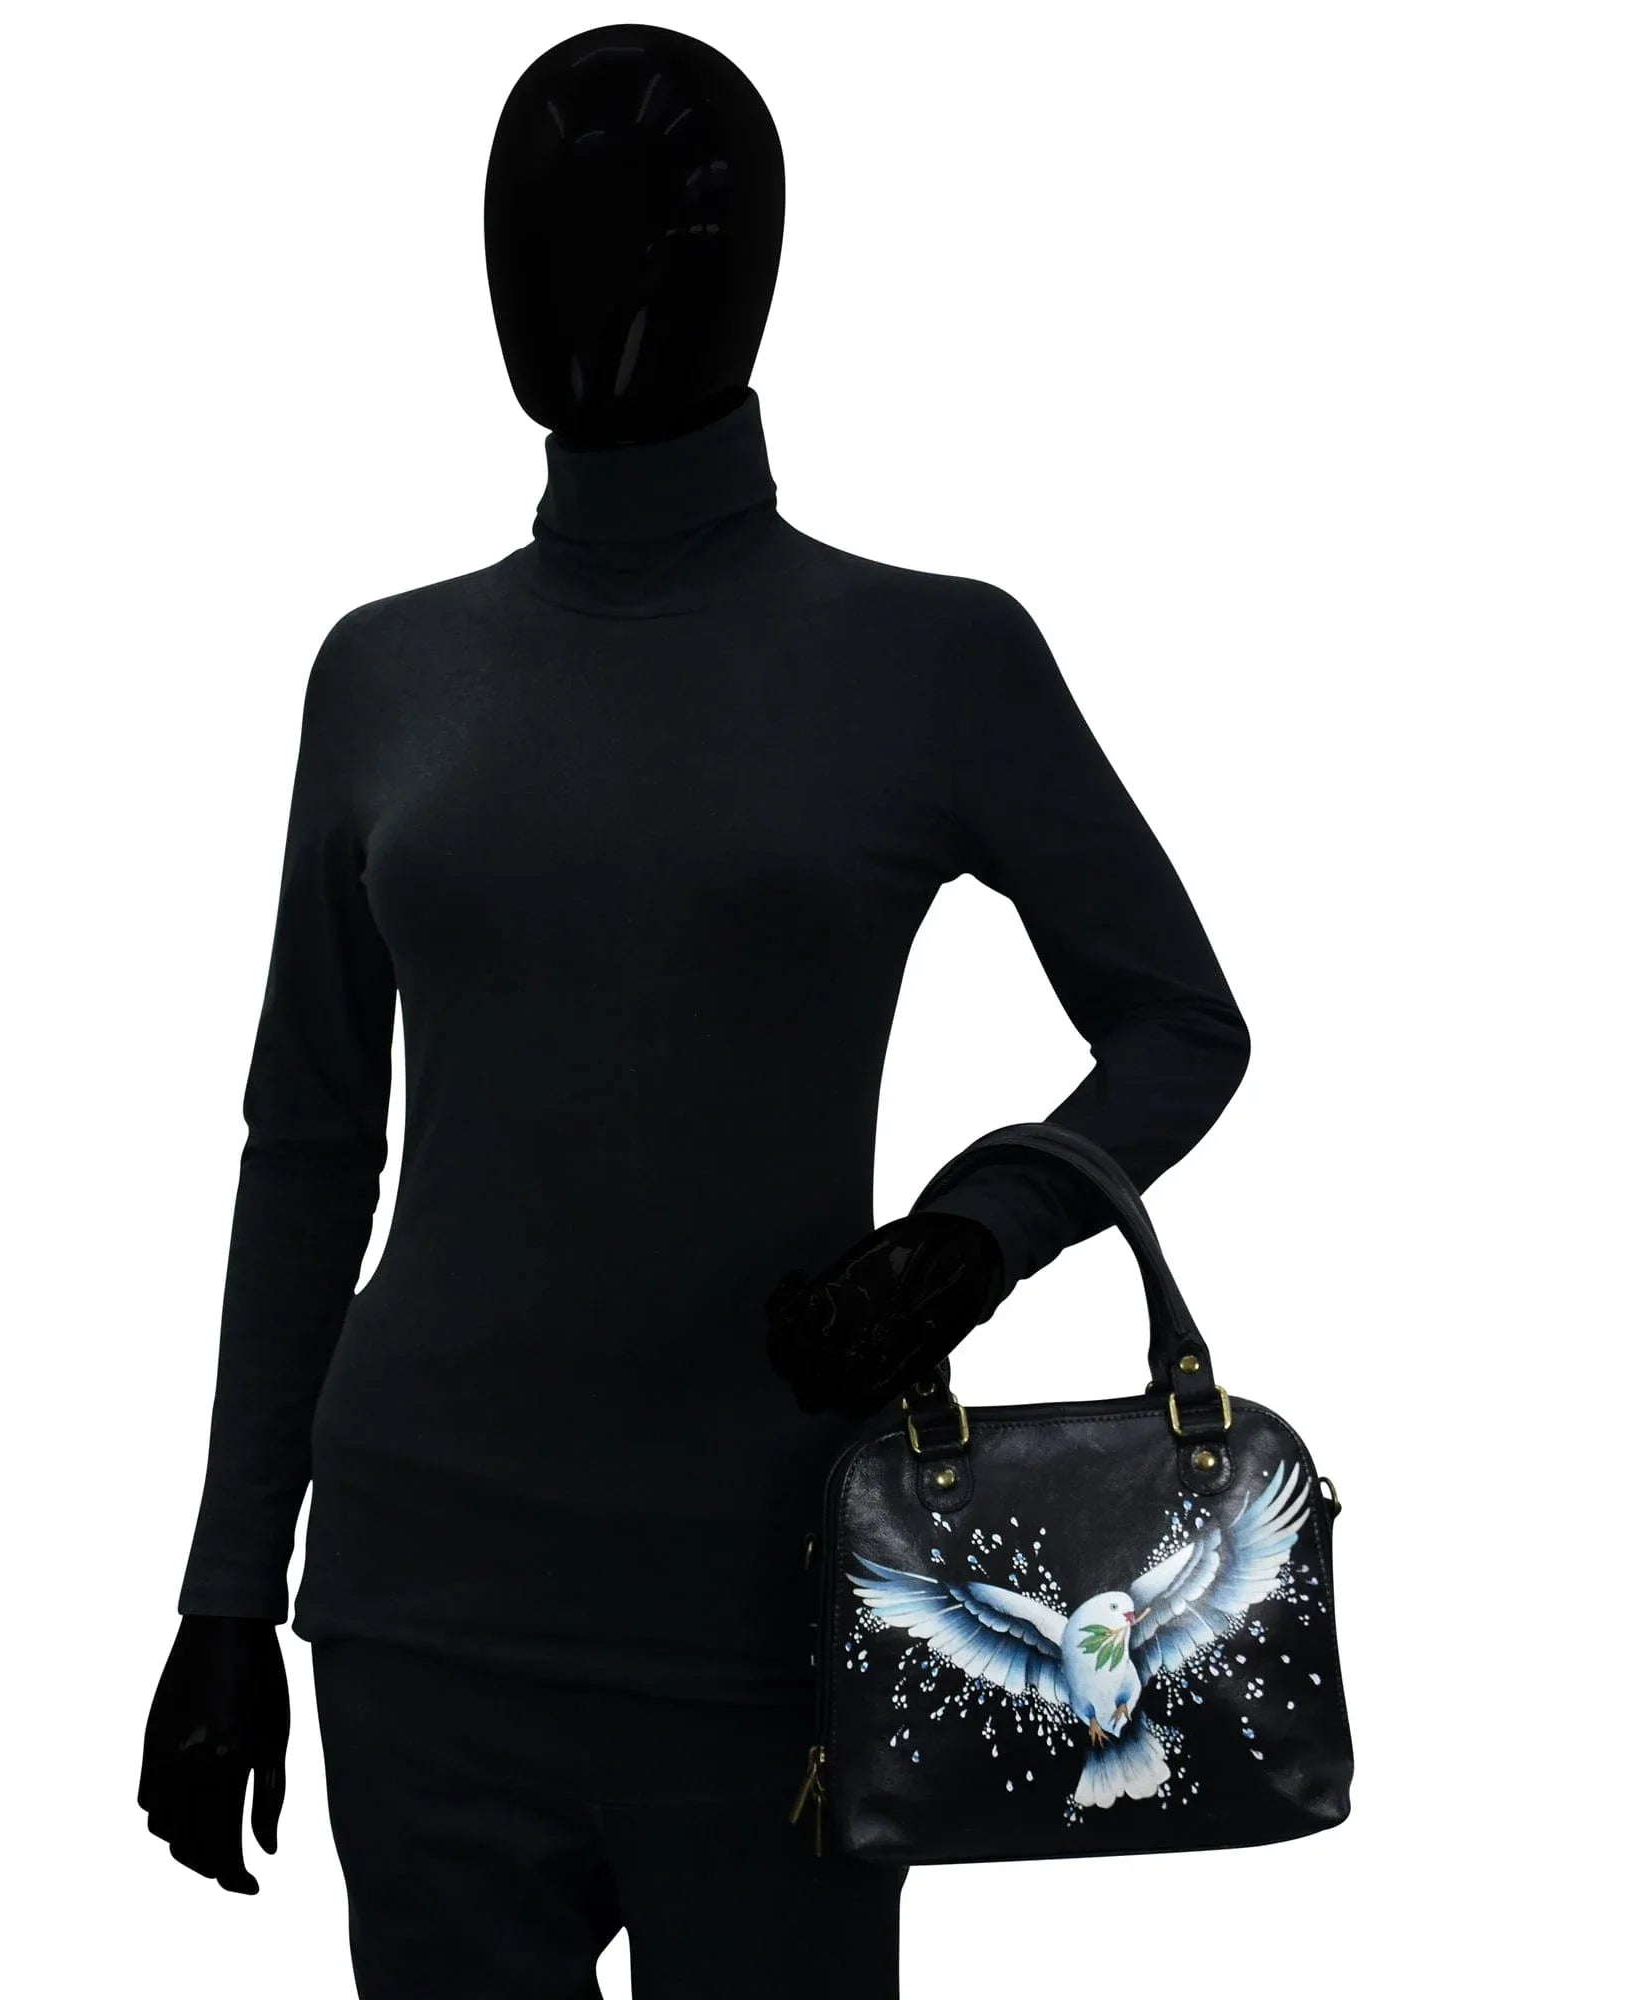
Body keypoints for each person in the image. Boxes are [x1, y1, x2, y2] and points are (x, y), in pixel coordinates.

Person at [138, 25, 1250, 1998]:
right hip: (420, 1612)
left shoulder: (933, 657)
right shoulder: (381, 675)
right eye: (537, 227)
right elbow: (306, 1152)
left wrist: (973, 1235)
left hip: (777, 1612)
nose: (578, 283)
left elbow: (1181, 1020)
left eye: (652, 230)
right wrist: (227, 1591)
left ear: (753, 264)